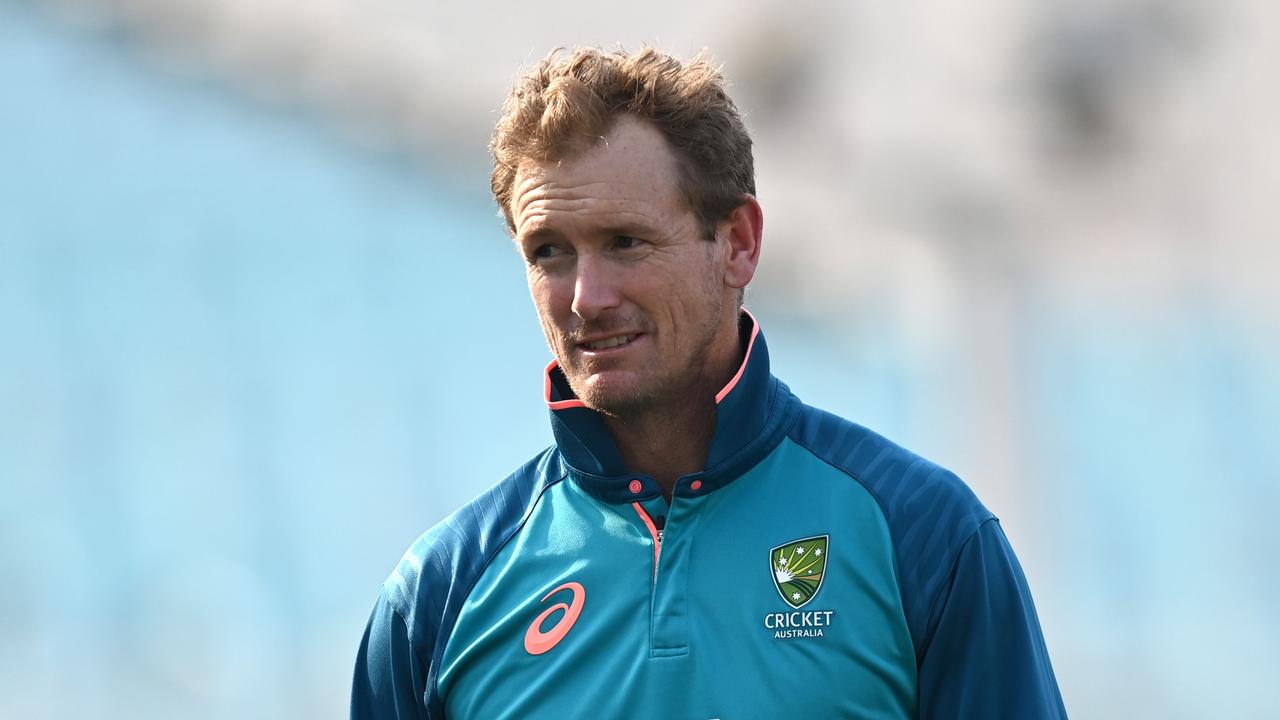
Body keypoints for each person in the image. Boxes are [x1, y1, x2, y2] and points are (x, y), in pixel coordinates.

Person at [351, 46, 1067, 719]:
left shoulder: (926, 536)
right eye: (550, 253)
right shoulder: (439, 596)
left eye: (624, 242)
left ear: (739, 244)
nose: (585, 296)